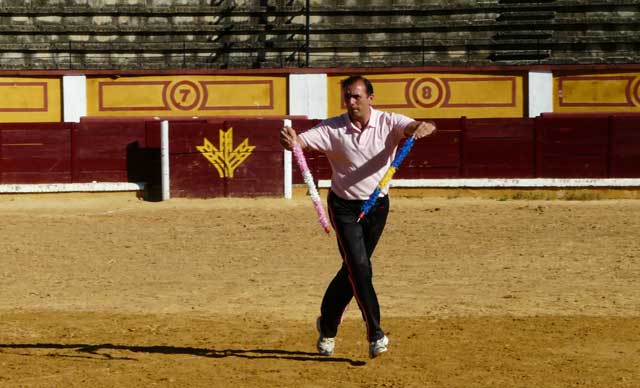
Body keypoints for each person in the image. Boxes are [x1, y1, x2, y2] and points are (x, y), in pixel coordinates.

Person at [279, 75, 436, 358]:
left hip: (377, 206)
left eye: (357, 97)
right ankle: (375, 333)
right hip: (344, 207)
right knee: (360, 268)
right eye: (347, 97)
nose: (351, 102)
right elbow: (300, 142)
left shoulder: (388, 121)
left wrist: (423, 126)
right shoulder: (333, 128)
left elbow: (413, 126)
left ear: (370, 99)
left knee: (353, 269)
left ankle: (327, 325)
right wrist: (291, 141)